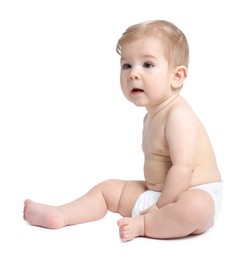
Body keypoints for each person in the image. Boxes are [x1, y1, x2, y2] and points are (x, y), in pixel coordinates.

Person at [23, 20, 223, 242]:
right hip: (157, 196)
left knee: (196, 207)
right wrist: (155, 202)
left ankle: (145, 225)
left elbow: (183, 169)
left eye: (147, 65)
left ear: (176, 76)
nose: (133, 74)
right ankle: (62, 214)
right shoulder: (152, 115)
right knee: (107, 189)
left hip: (190, 193)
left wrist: (160, 207)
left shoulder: (178, 115)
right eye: (127, 65)